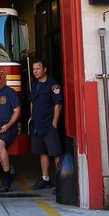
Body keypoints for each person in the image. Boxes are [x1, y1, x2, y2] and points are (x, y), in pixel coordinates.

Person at [28, 59, 63, 191]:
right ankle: (45, 179)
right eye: (34, 69)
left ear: (44, 70)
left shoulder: (53, 85)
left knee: (55, 152)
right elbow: (32, 102)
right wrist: (32, 118)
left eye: (38, 69)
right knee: (42, 152)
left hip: (49, 125)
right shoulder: (35, 84)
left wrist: (54, 123)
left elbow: (57, 105)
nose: (35, 71)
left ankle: (60, 181)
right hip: (37, 124)